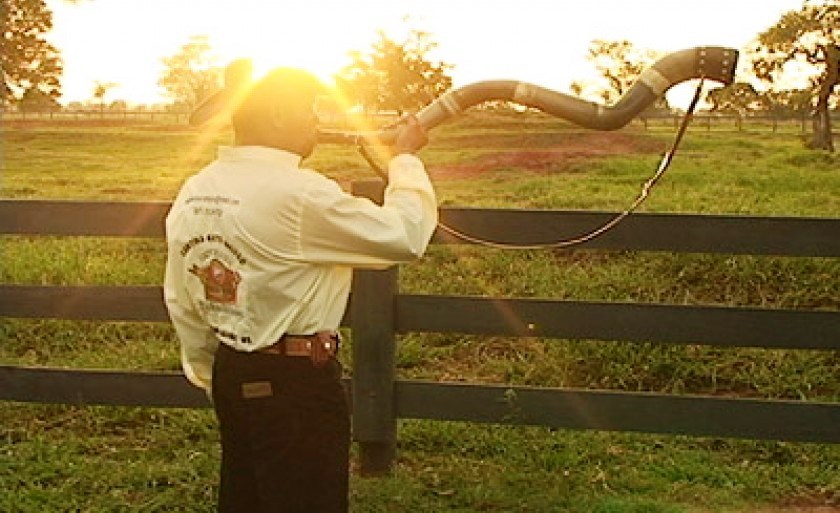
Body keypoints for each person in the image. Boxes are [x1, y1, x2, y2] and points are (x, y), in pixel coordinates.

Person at [163, 66, 438, 513]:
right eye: (307, 108)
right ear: (275, 113)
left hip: (232, 371)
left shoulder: (197, 189)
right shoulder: (300, 194)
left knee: (244, 500)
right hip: (295, 385)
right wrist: (403, 161)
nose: (315, 119)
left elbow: (182, 297)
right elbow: (403, 235)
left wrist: (212, 372)